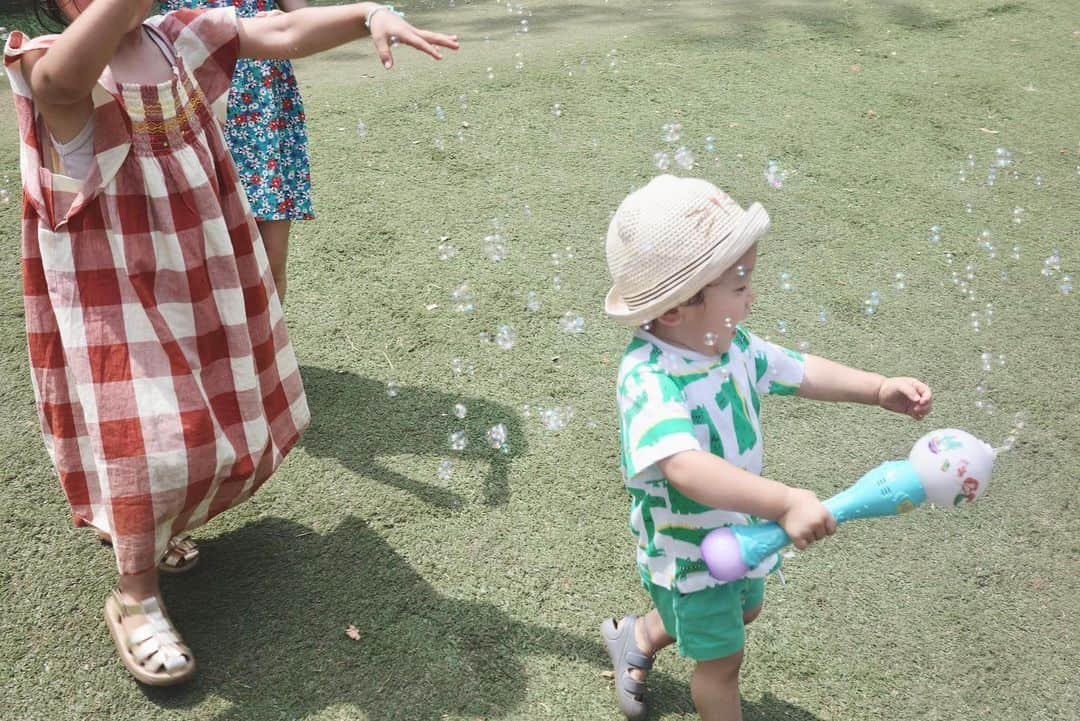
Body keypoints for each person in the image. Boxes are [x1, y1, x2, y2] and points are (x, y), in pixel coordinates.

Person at [4, 0, 457, 686]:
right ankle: (135, 594)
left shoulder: (178, 36)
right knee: (150, 442)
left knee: (203, 422)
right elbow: (63, 89)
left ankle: (152, 527)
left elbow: (277, 30)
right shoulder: (50, 61)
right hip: (119, 303)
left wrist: (369, 14)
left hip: (197, 283)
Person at [599, 175, 933, 721]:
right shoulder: (648, 377)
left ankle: (637, 633)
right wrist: (782, 501)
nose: (752, 295)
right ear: (679, 306)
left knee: (742, 614)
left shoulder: (732, 344)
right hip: (691, 557)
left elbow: (800, 372)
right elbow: (683, 466)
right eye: (740, 283)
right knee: (723, 661)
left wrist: (876, 388)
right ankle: (650, 634)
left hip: (744, 535)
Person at [160, 0, 314, 303]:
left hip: (263, 100)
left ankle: (266, 348)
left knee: (269, 263)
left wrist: (288, 20)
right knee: (196, 262)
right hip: (192, 87)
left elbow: (302, 17)